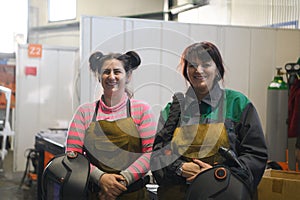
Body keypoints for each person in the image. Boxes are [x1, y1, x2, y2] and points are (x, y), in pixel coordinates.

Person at [150, 41, 268, 199]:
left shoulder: (237, 104)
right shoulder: (173, 110)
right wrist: (180, 168)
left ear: (218, 70)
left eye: (205, 64)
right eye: (192, 65)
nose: (198, 70)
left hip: (224, 193)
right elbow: (158, 156)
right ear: (186, 71)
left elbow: (255, 155)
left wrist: (217, 174)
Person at [66, 50, 157, 200]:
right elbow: (73, 155)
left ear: (128, 76)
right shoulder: (84, 112)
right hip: (95, 193)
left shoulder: (141, 110)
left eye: (117, 72)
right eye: (106, 72)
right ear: (98, 77)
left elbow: (151, 152)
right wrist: (101, 178)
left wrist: (121, 181)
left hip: (133, 194)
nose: (112, 77)